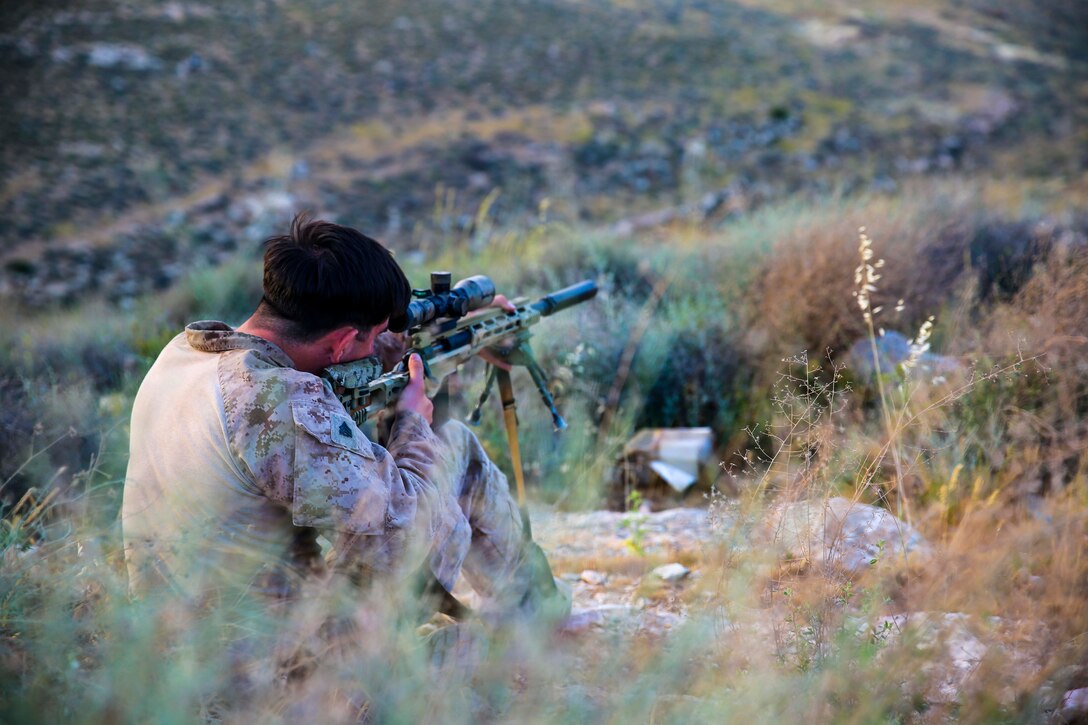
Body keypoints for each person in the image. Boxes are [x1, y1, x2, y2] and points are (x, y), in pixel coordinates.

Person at [121, 213, 567, 625]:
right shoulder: (280, 401)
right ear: (341, 343)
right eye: (370, 339)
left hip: (173, 634)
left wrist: (445, 332)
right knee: (453, 446)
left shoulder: (186, 354)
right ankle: (536, 622)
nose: (375, 348)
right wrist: (413, 422)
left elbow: (337, 364)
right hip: (266, 667)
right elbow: (403, 541)